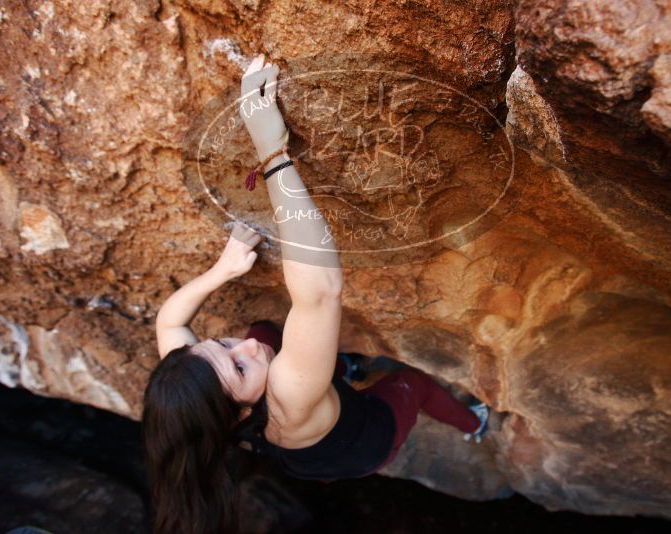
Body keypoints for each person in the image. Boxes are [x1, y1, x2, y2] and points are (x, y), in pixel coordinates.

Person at [142, 53, 491, 534]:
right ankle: (476, 425)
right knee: (413, 384)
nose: (243, 346)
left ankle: (343, 370)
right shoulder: (290, 390)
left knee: (268, 330)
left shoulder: (200, 395)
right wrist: (271, 151)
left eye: (220, 344)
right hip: (366, 441)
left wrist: (222, 271)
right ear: (240, 411)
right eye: (239, 365)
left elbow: (169, 324)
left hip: (301, 459)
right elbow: (321, 291)